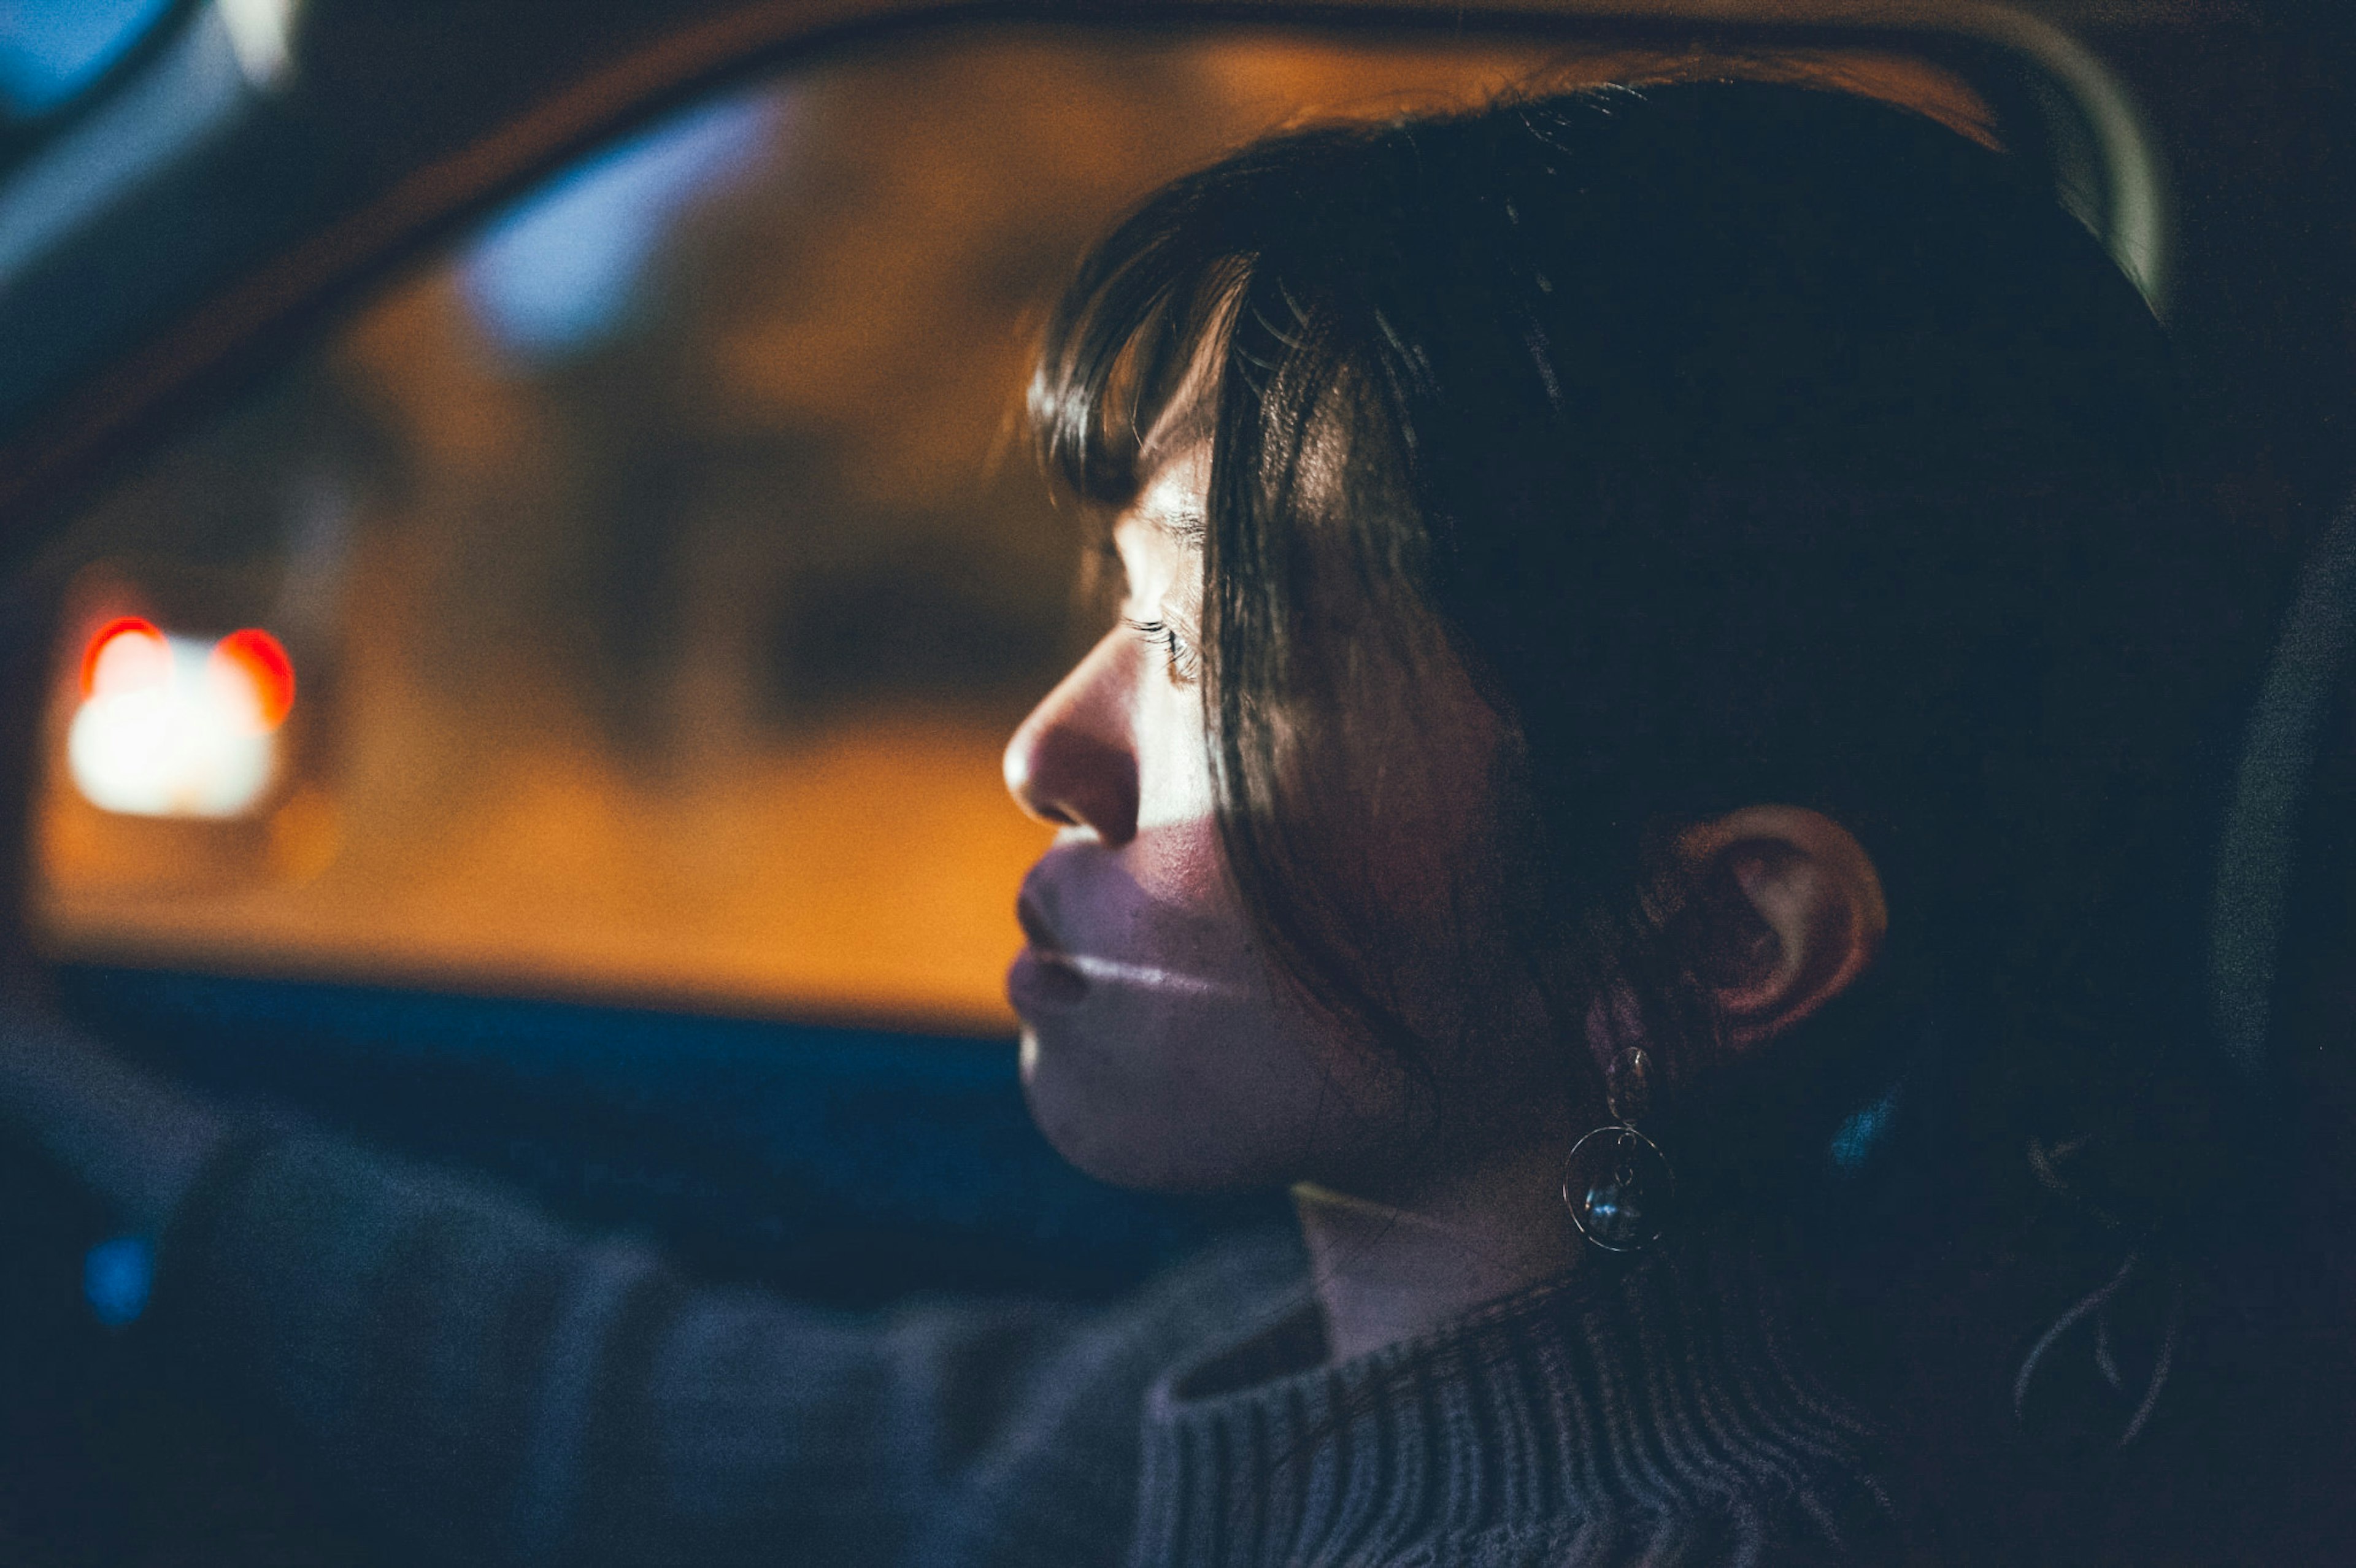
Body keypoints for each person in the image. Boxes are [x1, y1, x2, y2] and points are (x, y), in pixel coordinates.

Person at [0, 74, 2287, 1566]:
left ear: (1716, 943)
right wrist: (78, 1103)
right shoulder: (1324, 1363)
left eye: (1213, 655)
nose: (1049, 747)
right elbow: (701, 1428)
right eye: (1121, 607)